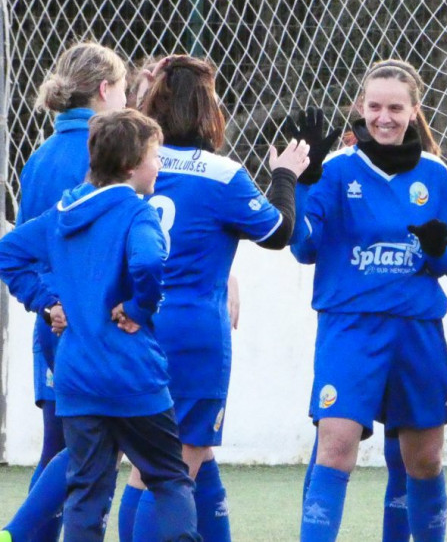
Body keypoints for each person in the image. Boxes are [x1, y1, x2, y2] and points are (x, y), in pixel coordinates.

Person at [119, 55, 311, 542]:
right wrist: (285, 175)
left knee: (166, 460)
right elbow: (279, 232)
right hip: (193, 330)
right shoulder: (223, 173)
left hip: (136, 323)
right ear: (209, 110)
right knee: (171, 469)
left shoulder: (134, 166)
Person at [292, 58, 447, 542]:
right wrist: (303, 180)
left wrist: (440, 250)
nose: (384, 118)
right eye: (375, 107)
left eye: (395, 107)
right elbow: (304, 247)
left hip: (416, 331)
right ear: (361, 107)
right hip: (349, 328)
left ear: (414, 110)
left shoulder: (436, 175)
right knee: (335, 449)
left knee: (425, 460)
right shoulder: (334, 171)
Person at [0, 109, 203, 542]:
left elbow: (9, 253)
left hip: (77, 378)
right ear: (132, 166)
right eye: (155, 156)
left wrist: (46, 302)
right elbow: (148, 262)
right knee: (169, 478)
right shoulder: (137, 213)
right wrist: (138, 307)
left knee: (87, 494)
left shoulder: (62, 215)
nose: (160, 166)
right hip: (133, 374)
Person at [1, 41, 127, 542]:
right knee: (92, 448)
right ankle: (20, 531)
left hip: (51, 323)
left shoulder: (39, 157)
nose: (125, 100)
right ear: (103, 90)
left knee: (61, 444)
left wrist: (44, 303)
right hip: (85, 326)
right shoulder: (104, 156)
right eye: (121, 89)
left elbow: (27, 247)